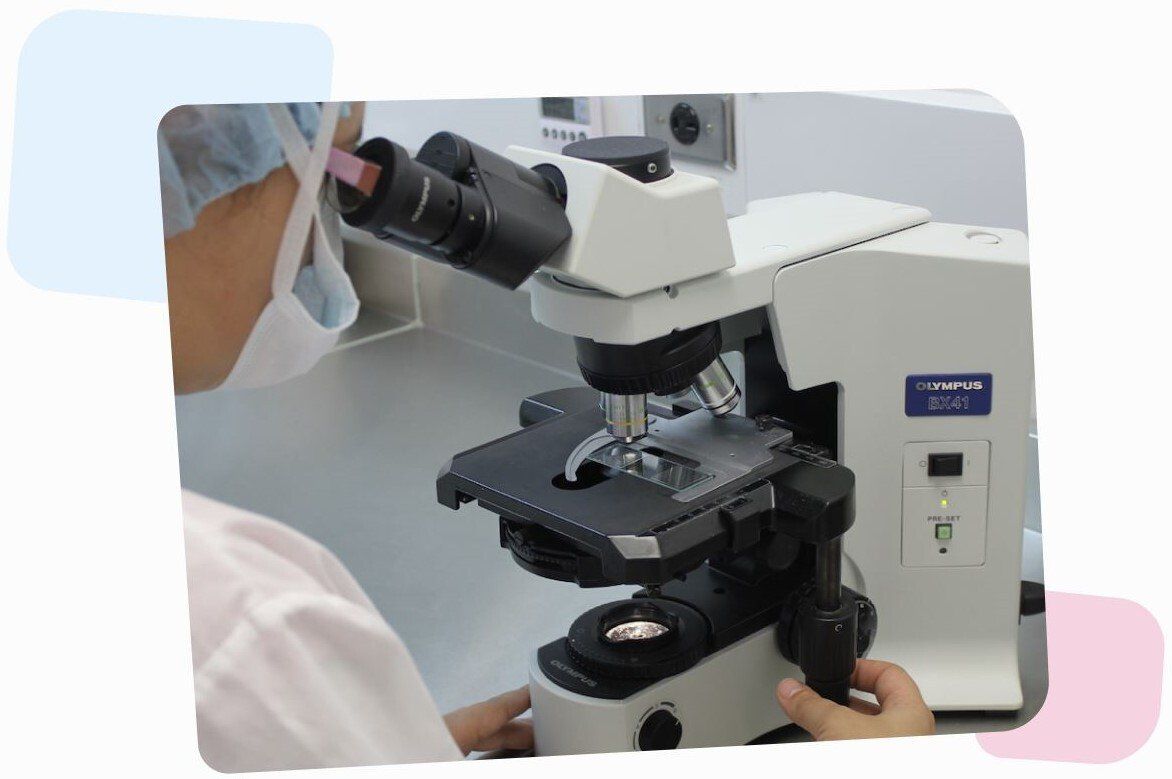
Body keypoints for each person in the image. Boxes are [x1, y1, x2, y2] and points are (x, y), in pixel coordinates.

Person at [160, 101, 934, 771]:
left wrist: (394, 749)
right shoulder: (252, 631)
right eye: (323, 175)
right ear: (202, 184)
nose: (317, 234)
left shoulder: (230, 613)